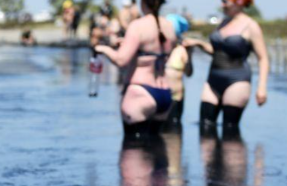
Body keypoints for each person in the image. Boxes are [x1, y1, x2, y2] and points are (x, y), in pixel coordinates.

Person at [183, 0, 269, 138]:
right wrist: (199, 43)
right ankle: (210, 160)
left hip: (237, 79)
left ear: (239, 2)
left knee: (229, 130)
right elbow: (217, 50)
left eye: (225, 1)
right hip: (213, 79)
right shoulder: (223, 22)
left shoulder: (251, 26)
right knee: (205, 126)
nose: (222, 5)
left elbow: (263, 58)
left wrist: (262, 87)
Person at [95, 0, 177, 135]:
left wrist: (103, 49)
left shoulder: (138, 26)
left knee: (133, 149)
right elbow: (162, 54)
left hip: (140, 92)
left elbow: (121, 60)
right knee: (157, 148)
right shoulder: (169, 26)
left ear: (143, 3)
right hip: (165, 93)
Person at [164, 14, 193, 130]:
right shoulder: (159, 47)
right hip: (161, 95)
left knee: (173, 129)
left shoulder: (182, 50)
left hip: (176, 96)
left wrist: (189, 56)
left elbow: (189, 73)